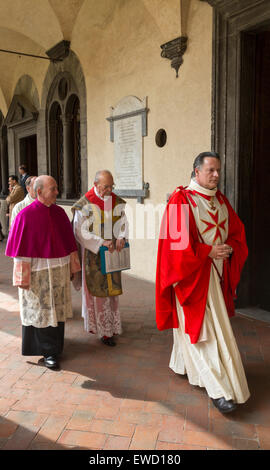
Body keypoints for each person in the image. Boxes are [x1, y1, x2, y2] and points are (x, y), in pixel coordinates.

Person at [156, 151, 250, 414]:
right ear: (196, 172)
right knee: (201, 334)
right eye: (211, 170)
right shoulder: (179, 200)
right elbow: (175, 245)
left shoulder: (220, 199)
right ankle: (219, 390)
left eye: (218, 170)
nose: (216, 175)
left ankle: (182, 365)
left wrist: (229, 248)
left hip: (215, 278)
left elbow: (236, 232)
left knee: (208, 330)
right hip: (189, 278)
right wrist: (207, 251)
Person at [5, 175, 81, 370]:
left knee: (56, 311)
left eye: (56, 188)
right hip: (38, 274)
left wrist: (73, 268)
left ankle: (55, 347)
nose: (57, 192)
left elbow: (70, 244)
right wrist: (22, 277)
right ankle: (49, 353)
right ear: (39, 192)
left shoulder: (59, 213)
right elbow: (20, 251)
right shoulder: (25, 215)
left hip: (59, 273)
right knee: (42, 312)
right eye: (53, 189)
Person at [71, 170, 127, 347]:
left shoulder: (115, 201)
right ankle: (102, 330)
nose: (109, 190)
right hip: (94, 255)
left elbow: (123, 221)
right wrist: (101, 242)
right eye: (105, 187)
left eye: (111, 186)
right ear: (95, 185)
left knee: (111, 293)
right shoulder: (84, 204)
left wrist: (121, 237)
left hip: (112, 254)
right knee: (98, 292)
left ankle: (111, 326)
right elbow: (79, 231)